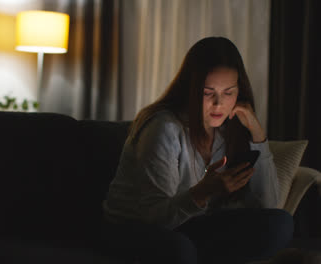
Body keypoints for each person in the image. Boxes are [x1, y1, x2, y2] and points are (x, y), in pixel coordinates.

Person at [101, 37, 293, 264]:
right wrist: (202, 192)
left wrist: (257, 134)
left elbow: (267, 205)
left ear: (239, 92)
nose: (218, 103)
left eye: (228, 92)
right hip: (134, 228)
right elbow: (154, 219)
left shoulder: (230, 129)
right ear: (191, 90)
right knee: (181, 250)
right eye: (207, 92)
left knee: (279, 223)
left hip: (189, 225)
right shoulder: (164, 128)